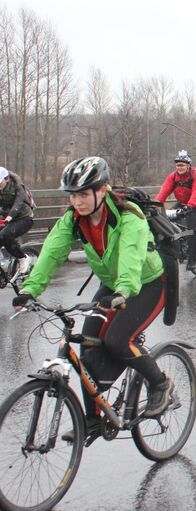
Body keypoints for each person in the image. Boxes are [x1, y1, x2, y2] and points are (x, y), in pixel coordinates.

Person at [12, 157, 174, 438]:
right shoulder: (73, 220)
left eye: (84, 194)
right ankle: (93, 420)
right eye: (73, 195)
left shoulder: (129, 216)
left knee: (117, 340)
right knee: (86, 350)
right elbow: (52, 252)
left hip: (146, 284)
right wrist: (30, 289)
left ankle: (159, 383)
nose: (77, 201)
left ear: (102, 190)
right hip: (111, 285)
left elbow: (131, 258)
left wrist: (123, 291)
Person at [155, 150, 196, 270]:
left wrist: (190, 206)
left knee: (191, 229)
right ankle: (178, 245)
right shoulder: (173, 177)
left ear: (188, 165)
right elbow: (164, 190)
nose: (180, 167)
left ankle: (194, 259)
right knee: (164, 220)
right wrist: (155, 204)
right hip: (181, 203)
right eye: (178, 165)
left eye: (182, 165)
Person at [0, 166, 35, 273]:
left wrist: (9, 217)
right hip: (6, 218)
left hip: (24, 218)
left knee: (5, 235)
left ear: (7, 179)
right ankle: (3, 266)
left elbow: (18, 203)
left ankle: (23, 258)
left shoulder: (17, 187)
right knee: (3, 237)